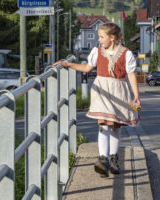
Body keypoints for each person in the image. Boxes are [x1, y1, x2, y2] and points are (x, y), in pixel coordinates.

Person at [53, 22, 140, 178]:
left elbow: (131, 75)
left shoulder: (126, 54)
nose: (99, 40)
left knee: (115, 126)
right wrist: (68, 64)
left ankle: (113, 158)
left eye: (101, 37)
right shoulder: (96, 52)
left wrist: (136, 96)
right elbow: (87, 68)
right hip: (100, 90)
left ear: (112, 38)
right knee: (103, 124)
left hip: (119, 90)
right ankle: (103, 159)